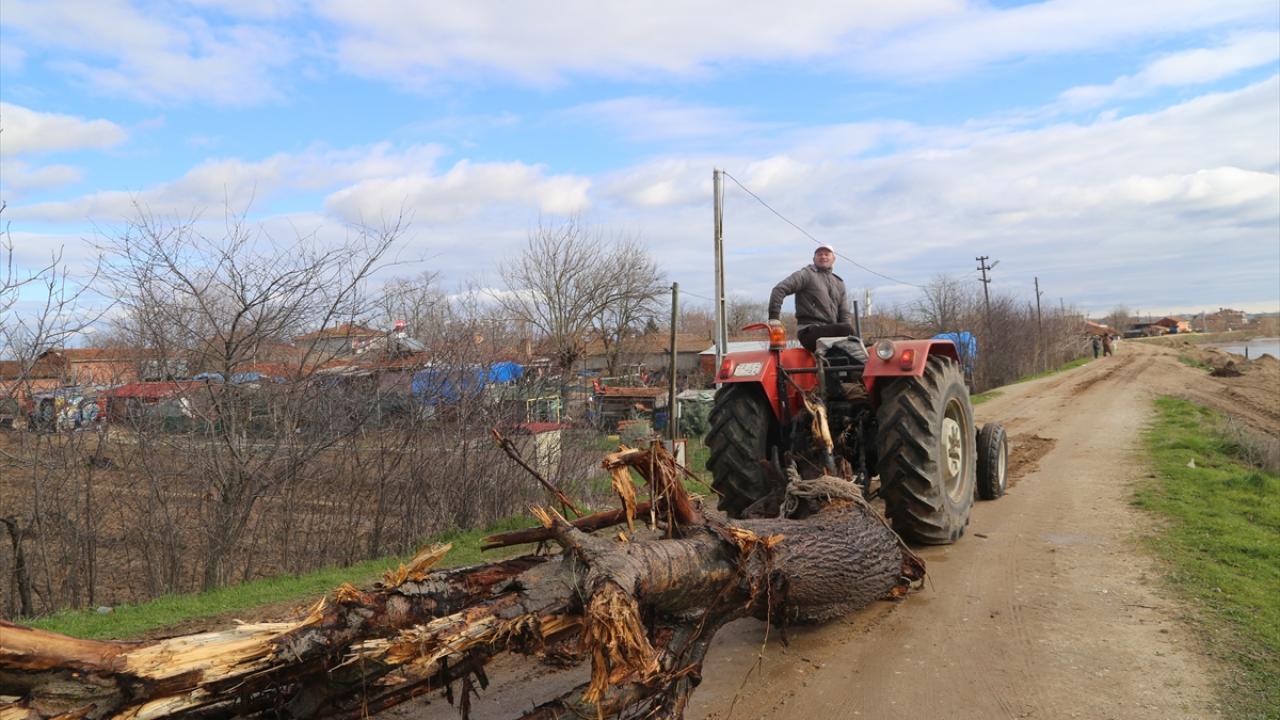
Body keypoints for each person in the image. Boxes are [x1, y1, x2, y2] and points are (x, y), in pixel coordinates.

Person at [768, 244, 853, 353]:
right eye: (819, 254)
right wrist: (774, 318)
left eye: (827, 254)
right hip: (809, 331)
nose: (823, 257)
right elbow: (779, 289)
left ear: (833, 259)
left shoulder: (839, 282)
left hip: (832, 331)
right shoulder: (806, 274)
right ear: (814, 259)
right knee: (846, 329)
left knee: (853, 338)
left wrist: (850, 336)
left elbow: (844, 312)